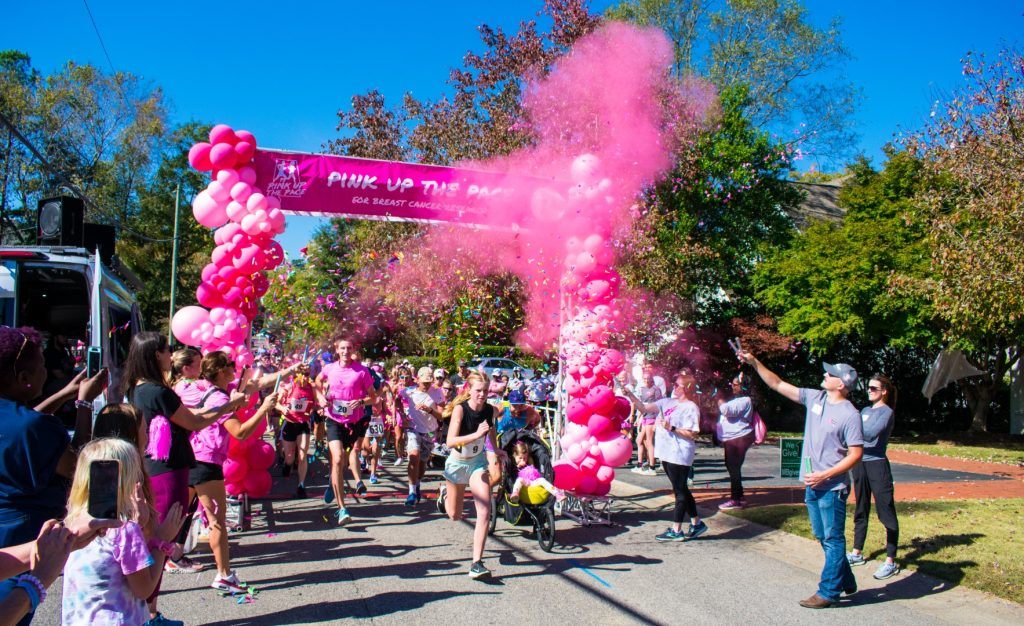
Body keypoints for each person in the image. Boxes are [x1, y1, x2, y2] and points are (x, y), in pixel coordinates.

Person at [119, 331, 247, 625]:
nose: (171, 355)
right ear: (155, 356)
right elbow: (195, 421)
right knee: (160, 540)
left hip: (155, 467)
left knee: (156, 538)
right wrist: (229, 405)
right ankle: (148, 614)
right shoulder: (157, 391)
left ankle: (147, 611)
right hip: (169, 472)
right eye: (166, 350)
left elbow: (190, 414)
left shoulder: (138, 389)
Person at [738, 351, 864, 609]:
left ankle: (828, 592)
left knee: (832, 538)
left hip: (832, 487)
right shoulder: (816, 397)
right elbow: (777, 384)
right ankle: (845, 579)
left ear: (840, 384)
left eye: (830, 374)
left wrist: (825, 474)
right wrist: (754, 362)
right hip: (812, 483)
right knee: (821, 535)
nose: (824, 374)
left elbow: (856, 454)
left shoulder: (850, 415)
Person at [0, 326, 108, 625]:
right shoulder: (37, 429)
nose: (46, 373)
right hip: (19, 535)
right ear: (24, 379)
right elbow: (77, 465)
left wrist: (63, 394)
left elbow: (25, 419)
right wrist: (85, 404)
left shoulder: (26, 423)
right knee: (14, 609)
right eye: (41, 368)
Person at [61, 438, 185, 626]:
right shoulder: (124, 530)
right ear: (128, 480)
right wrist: (162, 541)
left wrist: (140, 526)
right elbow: (144, 590)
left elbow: (112, 569)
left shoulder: (74, 521)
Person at [192, 352, 278, 593]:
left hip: (194, 456)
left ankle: (170, 558)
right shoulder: (218, 398)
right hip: (205, 462)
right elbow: (239, 432)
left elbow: (257, 382)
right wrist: (263, 410)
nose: (234, 368)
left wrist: (288, 373)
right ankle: (224, 575)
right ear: (220, 371)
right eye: (230, 366)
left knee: (180, 519)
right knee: (217, 522)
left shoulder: (208, 389)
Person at [632, 373, 708, 542]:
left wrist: (672, 428)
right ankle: (696, 523)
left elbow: (693, 433)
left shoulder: (691, 407)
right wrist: (630, 395)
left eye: (678, 385)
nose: (674, 386)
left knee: (679, 491)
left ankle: (677, 529)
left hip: (679, 453)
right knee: (681, 489)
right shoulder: (667, 402)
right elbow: (644, 408)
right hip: (666, 452)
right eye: (674, 384)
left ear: (686, 389)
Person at [438, 371, 499, 579]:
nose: (482, 395)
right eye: (478, 391)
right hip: (456, 464)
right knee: (455, 515)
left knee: (484, 511)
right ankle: (445, 495)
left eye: (485, 391)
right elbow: (450, 441)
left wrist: (496, 449)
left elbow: (490, 431)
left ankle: (476, 563)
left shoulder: (491, 410)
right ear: (469, 390)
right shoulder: (459, 410)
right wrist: (476, 435)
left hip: (477, 465)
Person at [315, 337, 377, 526]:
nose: (345, 351)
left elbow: (373, 398)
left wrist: (360, 402)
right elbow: (316, 382)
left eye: (348, 348)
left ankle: (331, 485)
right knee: (338, 458)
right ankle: (342, 508)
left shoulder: (362, 371)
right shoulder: (329, 368)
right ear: (336, 349)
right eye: (342, 348)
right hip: (333, 420)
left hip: (354, 422)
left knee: (341, 464)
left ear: (353, 350)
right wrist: (320, 397)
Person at [848, 374, 900, 581]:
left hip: (877, 464)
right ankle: (857, 553)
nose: (869, 391)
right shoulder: (865, 410)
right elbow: (858, 432)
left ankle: (890, 561)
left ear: (884, 391)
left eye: (873, 388)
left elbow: (869, 433)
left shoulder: (886, 412)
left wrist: (852, 429)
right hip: (860, 463)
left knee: (885, 510)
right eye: (868, 388)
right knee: (861, 508)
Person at [397, 367, 444, 507]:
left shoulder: (437, 393)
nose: (427, 384)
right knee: (413, 456)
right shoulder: (409, 391)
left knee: (422, 462)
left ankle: (417, 484)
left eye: (429, 382)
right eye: (424, 382)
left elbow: (442, 415)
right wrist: (402, 415)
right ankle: (411, 492)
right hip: (413, 428)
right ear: (417, 379)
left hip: (429, 431)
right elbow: (397, 399)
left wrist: (429, 410)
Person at [716, 372, 756, 510]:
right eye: (731, 384)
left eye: (735, 384)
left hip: (738, 437)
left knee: (733, 467)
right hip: (732, 437)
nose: (732, 387)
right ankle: (740, 496)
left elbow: (727, 410)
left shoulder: (745, 400)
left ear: (743, 386)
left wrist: (720, 400)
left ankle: (735, 500)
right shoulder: (738, 400)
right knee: (732, 466)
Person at [276, 364, 316, 497]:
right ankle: (287, 465)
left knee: (303, 454)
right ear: (296, 375)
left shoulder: (311, 388)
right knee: (289, 458)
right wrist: (282, 409)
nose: (305, 378)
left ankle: (301, 485)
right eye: (303, 374)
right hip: (289, 424)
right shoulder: (289, 387)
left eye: (307, 375)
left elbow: (315, 403)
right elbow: (276, 402)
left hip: (303, 424)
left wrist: (317, 408)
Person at [621, 368, 663, 476]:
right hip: (644, 416)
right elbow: (639, 404)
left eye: (648, 378)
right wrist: (638, 418)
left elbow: (660, 405)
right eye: (645, 379)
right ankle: (640, 465)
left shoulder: (656, 389)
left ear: (652, 378)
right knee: (639, 440)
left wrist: (658, 418)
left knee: (649, 442)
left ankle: (652, 467)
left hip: (652, 417)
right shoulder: (642, 389)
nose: (647, 380)